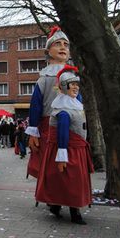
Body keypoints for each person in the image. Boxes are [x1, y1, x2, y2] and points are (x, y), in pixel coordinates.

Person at [35, 66, 94, 224]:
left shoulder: (75, 105)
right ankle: (73, 212)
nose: (75, 87)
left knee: (66, 180)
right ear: (63, 87)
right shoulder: (62, 109)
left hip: (77, 149)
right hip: (67, 150)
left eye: (77, 84)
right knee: (70, 180)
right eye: (71, 84)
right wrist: (62, 156)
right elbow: (62, 133)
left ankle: (57, 205)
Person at [25, 25, 70, 179]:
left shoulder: (73, 74)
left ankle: (71, 197)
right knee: (50, 163)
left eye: (66, 44)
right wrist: (33, 129)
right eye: (58, 44)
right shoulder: (44, 78)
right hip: (48, 127)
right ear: (48, 51)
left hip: (72, 127)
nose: (63, 47)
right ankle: (53, 198)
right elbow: (36, 104)